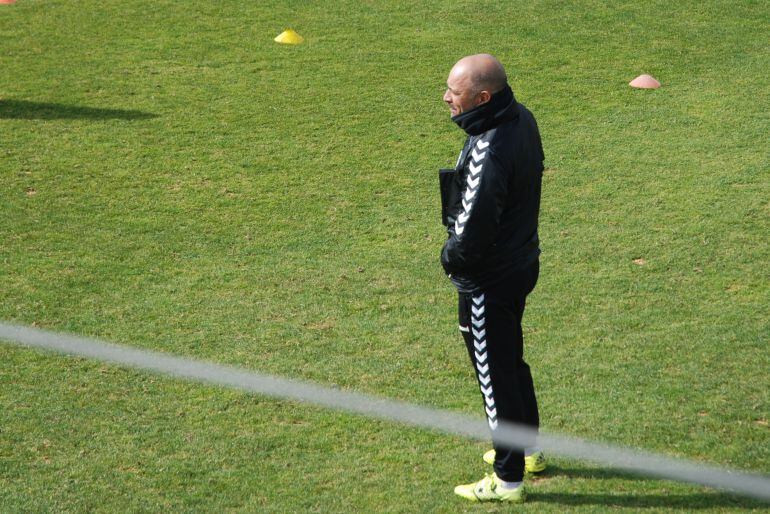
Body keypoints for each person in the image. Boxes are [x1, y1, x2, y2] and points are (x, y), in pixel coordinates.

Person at [438, 54, 546, 503]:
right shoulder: (521, 118)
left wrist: (451, 259)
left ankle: (507, 479)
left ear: (483, 97)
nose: (446, 98)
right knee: (511, 362)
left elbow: (473, 230)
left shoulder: (489, 146)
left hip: (489, 278)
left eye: (455, 93)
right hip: (520, 263)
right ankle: (529, 450)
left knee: (493, 372)